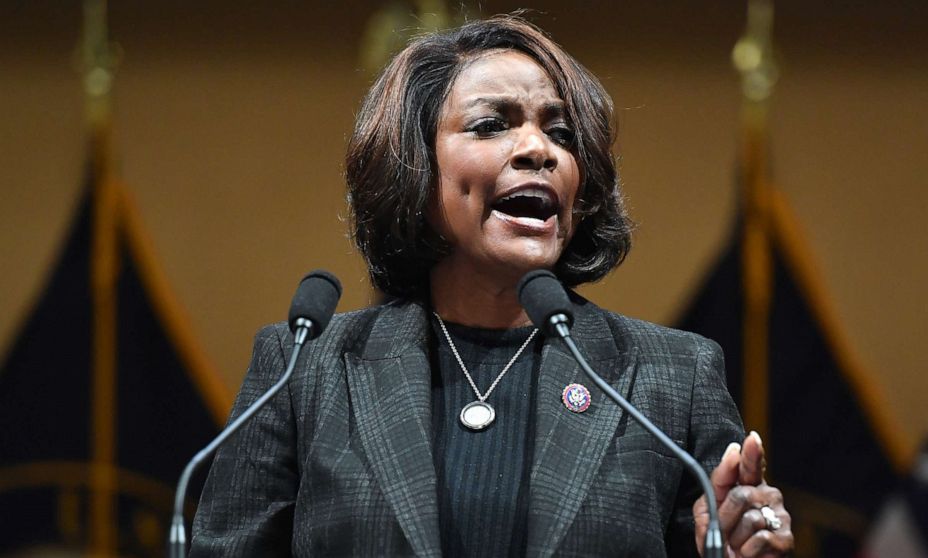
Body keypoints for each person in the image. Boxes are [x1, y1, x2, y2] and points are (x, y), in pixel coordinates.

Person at [191, 14, 794, 557]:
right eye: (490, 125)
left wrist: (733, 550)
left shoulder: (673, 378)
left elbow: (726, 535)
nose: (538, 149)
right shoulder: (307, 370)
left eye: (561, 134)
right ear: (414, 170)